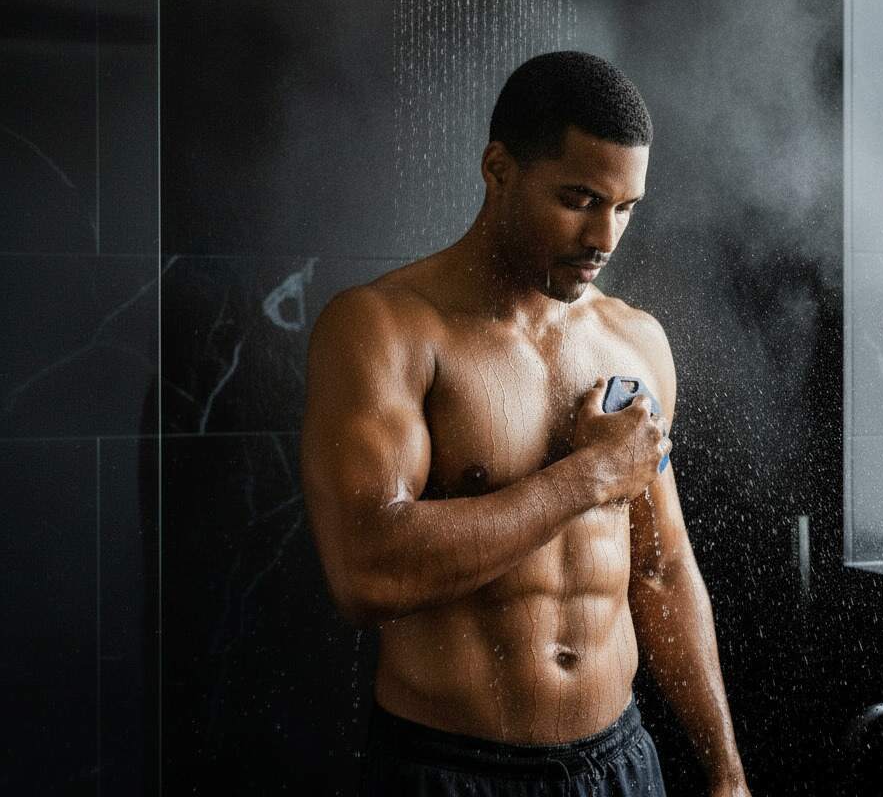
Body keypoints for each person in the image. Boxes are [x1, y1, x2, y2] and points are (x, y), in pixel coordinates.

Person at [301, 51, 752, 796]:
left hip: (621, 763)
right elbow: (367, 571)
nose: (602, 236)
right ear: (499, 170)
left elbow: (661, 568)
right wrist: (590, 477)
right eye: (578, 198)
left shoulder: (636, 342)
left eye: (625, 207)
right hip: (455, 771)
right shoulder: (388, 330)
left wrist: (725, 771)